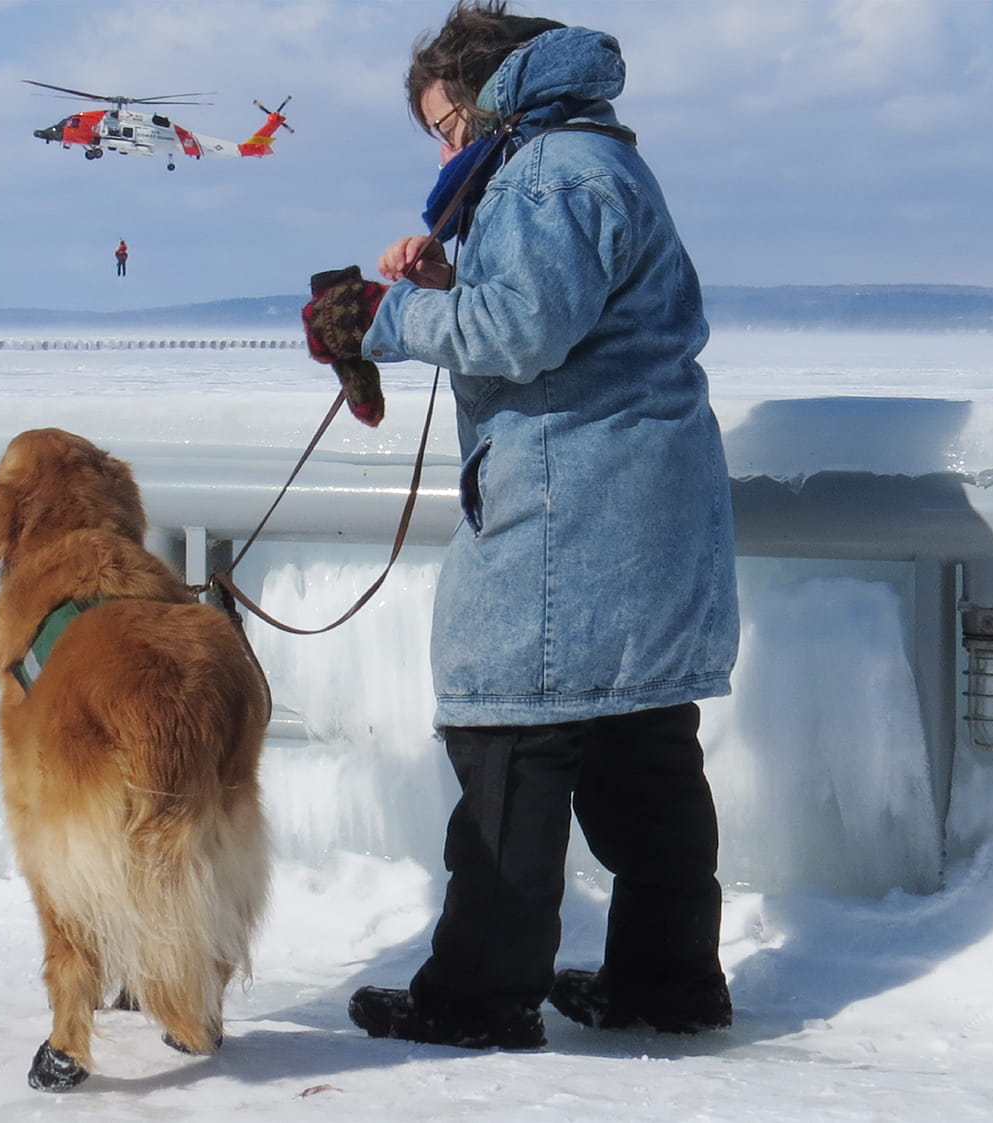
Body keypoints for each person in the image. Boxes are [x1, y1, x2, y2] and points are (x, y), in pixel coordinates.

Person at [302, 1, 739, 1050]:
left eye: (445, 125)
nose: (445, 147)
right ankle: (665, 980)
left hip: (568, 499)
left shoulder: (543, 169)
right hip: (646, 496)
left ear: (491, 94)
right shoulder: (596, 159)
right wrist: (450, 275)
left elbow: (520, 329)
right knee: (641, 741)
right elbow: (558, 309)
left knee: (510, 738)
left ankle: (479, 997)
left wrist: (386, 318)